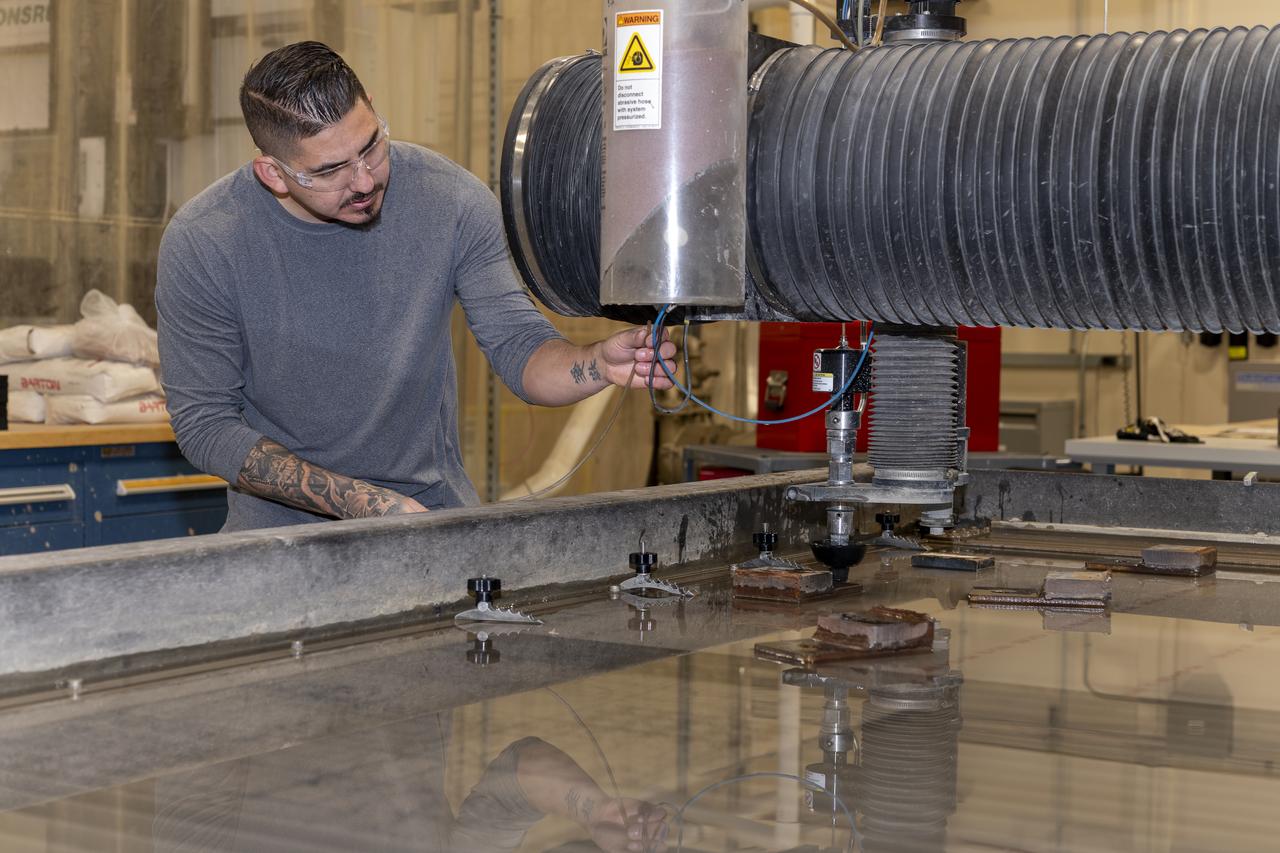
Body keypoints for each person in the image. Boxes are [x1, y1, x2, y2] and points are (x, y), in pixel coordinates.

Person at [157, 41, 674, 532]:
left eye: (370, 146)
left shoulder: (450, 201)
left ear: (374, 110)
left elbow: (521, 351)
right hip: (279, 543)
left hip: (431, 521)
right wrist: (363, 502)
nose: (363, 181)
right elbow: (205, 425)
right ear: (272, 173)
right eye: (332, 169)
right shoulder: (206, 242)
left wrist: (599, 364)